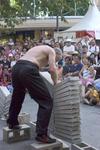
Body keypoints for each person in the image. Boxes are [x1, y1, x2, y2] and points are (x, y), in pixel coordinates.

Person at [7, 45, 62, 144]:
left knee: (17, 97)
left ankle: (12, 122)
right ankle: (42, 134)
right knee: (46, 101)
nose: (55, 61)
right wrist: (56, 82)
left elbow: (36, 66)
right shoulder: (51, 51)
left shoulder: (39, 49)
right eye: (56, 59)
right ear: (57, 53)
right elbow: (52, 69)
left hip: (17, 67)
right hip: (28, 69)